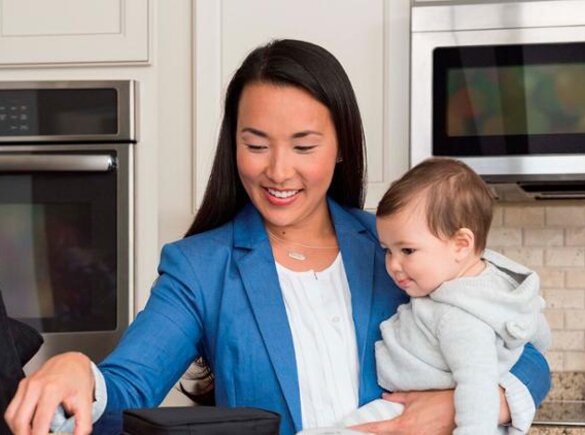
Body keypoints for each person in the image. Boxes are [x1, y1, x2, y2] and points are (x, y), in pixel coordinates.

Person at [5, 40, 550, 435]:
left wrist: (464, 405)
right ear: (233, 145)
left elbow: (523, 352)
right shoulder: (200, 267)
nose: (279, 171)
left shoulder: (399, 250)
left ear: (340, 148)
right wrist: (77, 368)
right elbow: (126, 389)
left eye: (304, 146)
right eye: (257, 143)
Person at [332, 158, 551, 434]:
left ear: (461, 245)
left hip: (426, 413)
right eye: (387, 250)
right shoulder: (497, 284)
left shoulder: (457, 316)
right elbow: (538, 332)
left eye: (407, 251)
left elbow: (478, 392)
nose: (393, 265)